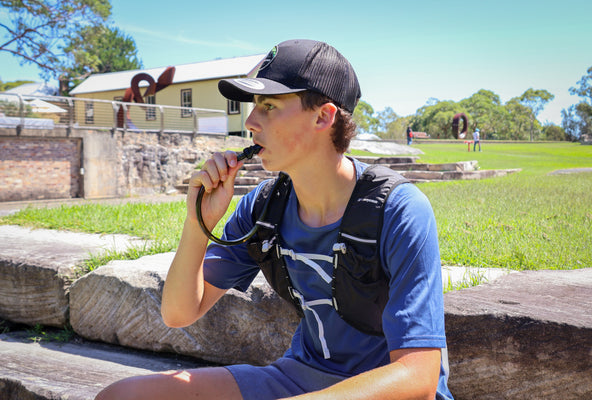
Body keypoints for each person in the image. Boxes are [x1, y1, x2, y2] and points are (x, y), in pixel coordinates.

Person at [95, 39, 453, 400]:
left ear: (323, 116)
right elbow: (178, 312)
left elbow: (417, 379)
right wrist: (198, 223)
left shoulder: (398, 209)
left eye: (268, 106)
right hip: (298, 378)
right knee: (122, 395)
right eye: (253, 107)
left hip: (384, 390)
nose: (250, 122)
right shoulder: (265, 208)